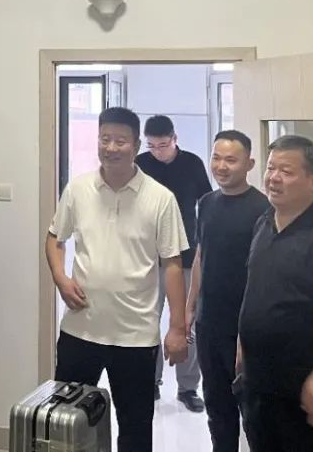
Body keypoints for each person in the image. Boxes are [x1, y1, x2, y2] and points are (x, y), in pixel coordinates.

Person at [46, 106, 190, 452]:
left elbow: (172, 264)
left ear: (136, 145)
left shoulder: (160, 198)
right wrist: (61, 279)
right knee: (67, 424)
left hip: (135, 336)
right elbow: (54, 238)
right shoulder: (78, 189)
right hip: (80, 329)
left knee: (135, 428)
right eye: (104, 139)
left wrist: (177, 328)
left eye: (120, 141)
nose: (111, 147)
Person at [237, 135, 313, 452]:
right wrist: (242, 350)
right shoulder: (263, 223)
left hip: (302, 390)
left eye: (286, 171)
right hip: (259, 385)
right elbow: (255, 291)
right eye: (271, 168)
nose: (274, 177)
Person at [185, 130, 271, 452]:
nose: (221, 166)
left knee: (254, 413)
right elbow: (200, 256)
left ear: (249, 164)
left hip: (244, 330)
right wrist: (190, 307)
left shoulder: (263, 209)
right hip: (209, 325)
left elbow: (264, 276)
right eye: (216, 158)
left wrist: (246, 335)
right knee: (217, 410)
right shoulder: (206, 203)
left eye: (231, 160)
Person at [135, 114, 212, 410]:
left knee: (186, 320)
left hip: (186, 254)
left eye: (163, 145)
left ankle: (188, 388)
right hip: (149, 257)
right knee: (147, 320)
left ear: (174, 139)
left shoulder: (192, 163)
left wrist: (204, 243)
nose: (157, 151)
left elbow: (206, 203)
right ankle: (150, 381)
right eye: (152, 146)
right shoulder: (139, 164)